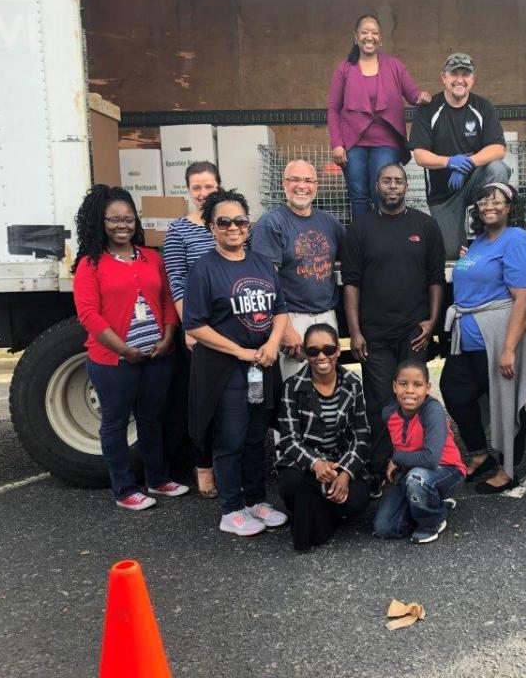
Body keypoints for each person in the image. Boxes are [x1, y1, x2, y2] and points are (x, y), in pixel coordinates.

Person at [72, 185, 188, 510]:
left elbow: (167, 299)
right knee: (116, 423)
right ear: (100, 221)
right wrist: (123, 349)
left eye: (128, 219)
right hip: (114, 359)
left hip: (156, 354)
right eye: (114, 220)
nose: (122, 225)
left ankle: (158, 478)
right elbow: (88, 314)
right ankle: (124, 489)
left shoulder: (152, 257)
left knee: (152, 419)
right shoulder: (90, 264)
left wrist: (167, 336)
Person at [183, 189, 290, 536]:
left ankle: (257, 500)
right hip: (226, 370)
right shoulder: (203, 270)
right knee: (230, 437)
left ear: (249, 225)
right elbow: (195, 324)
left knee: (256, 436)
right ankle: (231, 509)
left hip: (263, 366)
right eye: (224, 221)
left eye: (240, 221)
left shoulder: (261, 262)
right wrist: (240, 352)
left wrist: (273, 343)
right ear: (212, 227)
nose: (233, 227)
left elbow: (280, 309)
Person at [340, 163, 446, 498]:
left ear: (406, 186)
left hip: (413, 332)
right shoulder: (360, 228)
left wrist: (432, 320)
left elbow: (435, 279)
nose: (392, 186)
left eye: (398, 181)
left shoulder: (425, 226)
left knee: (412, 400)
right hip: (375, 335)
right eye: (386, 180)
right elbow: (351, 284)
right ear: (376, 185)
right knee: (381, 404)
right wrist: (355, 331)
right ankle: (380, 469)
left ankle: (414, 464)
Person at [442, 182, 526, 493]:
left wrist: (509, 349)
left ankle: (508, 469)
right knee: (455, 390)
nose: (489, 206)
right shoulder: (479, 242)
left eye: (497, 201)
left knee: (508, 402)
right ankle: (480, 454)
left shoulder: (517, 239)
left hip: (499, 337)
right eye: (484, 201)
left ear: (511, 207)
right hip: (470, 338)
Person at [275, 323, 372, 551]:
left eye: (328, 349)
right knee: (292, 484)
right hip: (305, 467)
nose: (321, 356)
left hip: (339, 461)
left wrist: (346, 473)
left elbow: (362, 435)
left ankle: (313, 506)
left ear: (338, 350)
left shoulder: (353, 384)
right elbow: (289, 440)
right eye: (313, 351)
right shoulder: (292, 386)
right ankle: (320, 507)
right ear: (306, 354)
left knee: (359, 500)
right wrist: (315, 464)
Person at [407, 52, 511, 258]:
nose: (460, 80)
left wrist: (467, 164)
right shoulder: (429, 110)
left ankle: (486, 230)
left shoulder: (483, 107)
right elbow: (420, 156)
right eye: (454, 74)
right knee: (451, 253)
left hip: (474, 183)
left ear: (473, 79)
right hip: (442, 195)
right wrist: (450, 162)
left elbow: (498, 149)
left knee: (498, 169)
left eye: (466, 74)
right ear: (444, 78)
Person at [328, 14, 431, 219]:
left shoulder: (394, 66)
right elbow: (333, 108)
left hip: (386, 141)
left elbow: (413, 94)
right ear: (356, 37)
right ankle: (361, 242)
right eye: (364, 32)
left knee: (383, 193)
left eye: (374, 33)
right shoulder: (344, 69)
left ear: (380, 39)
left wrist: (422, 97)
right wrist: (336, 144)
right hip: (353, 142)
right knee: (357, 194)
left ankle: (386, 240)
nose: (369, 36)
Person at [250, 159, 345, 380]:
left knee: (327, 383)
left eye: (308, 180)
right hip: (292, 318)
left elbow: (353, 256)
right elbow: (265, 282)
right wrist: (285, 329)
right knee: (295, 386)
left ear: (316, 185)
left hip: (326, 316)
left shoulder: (330, 222)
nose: (302, 186)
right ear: (284, 184)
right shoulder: (271, 224)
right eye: (295, 179)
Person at [162, 161, 222, 498]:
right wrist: (191, 326)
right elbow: (177, 283)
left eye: (209, 187)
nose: (203, 194)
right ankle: (203, 468)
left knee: (236, 402)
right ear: (188, 191)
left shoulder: (229, 224)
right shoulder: (178, 231)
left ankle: (233, 465)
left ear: (219, 186)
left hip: (232, 326)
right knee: (204, 404)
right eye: (197, 187)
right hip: (199, 329)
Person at [372, 358, 466, 544]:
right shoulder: (388, 413)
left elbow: (430, 459)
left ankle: (432, 523)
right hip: (410, 472)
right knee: (384, 527)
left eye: (417, 385)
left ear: (427, 387)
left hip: (446, 471)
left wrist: (397, 458)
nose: (409, 390)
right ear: (394, 386)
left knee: (417, 479)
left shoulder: (432, 410)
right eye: (403, 384)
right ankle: (437, 505)